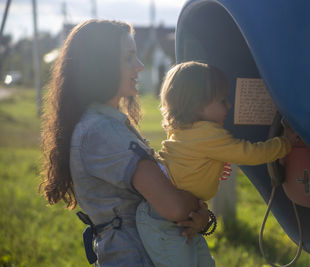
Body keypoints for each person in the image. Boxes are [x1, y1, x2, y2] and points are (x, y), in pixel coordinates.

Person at [39, 20, 209, 266]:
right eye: (129, 58)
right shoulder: (102, 130)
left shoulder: (104, 124)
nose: (139, 66)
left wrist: (199, 215)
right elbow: (173, 206)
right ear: (101, 65)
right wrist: (199, 209)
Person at [136, 61, 297, 267]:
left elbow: (194, 162)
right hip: (164, 220)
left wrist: (215, 166)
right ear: (198, 104)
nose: (228, 106)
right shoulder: (208, 133)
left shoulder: (185, 130)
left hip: (170, 214)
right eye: (222, 101)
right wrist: (284, 143)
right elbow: (249, 153)